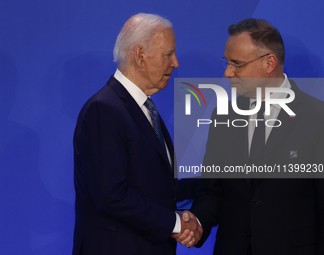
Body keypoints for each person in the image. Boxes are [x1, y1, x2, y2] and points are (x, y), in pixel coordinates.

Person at [179, 18, 324, 254]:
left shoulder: (317, 119)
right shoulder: (223, 116)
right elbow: (213, 191)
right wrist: (198, 225)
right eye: (227, 63)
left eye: (237, 64)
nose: (228, 73)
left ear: (269, 63)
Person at [72, 13, 202, 255]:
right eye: (168, 54)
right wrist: (175, 224)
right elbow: (111, 195)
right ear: (140, 55)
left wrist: (216, 183)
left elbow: (157, 189)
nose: (175, 63)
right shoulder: (104, 109)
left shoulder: (144, 109)